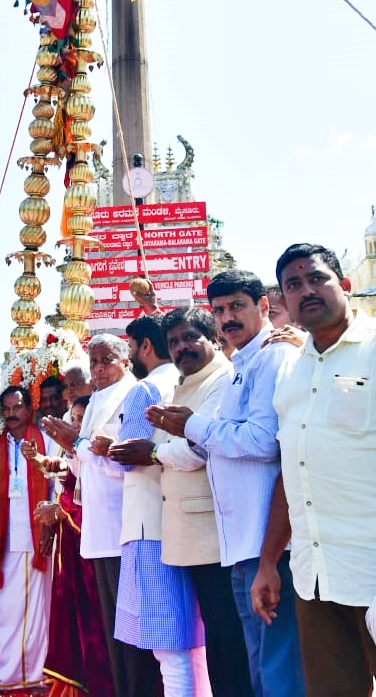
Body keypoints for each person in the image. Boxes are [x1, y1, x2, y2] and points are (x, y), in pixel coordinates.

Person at [251, 243, 376, 697]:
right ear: (284, 300)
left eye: (317, 278)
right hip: (315, 578)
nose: (306, 290)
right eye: (293, 285)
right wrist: (269, 562)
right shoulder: (291, 369)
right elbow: (293, 471)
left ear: (345, 285)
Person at [158, 270, 306, 697]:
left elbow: (262, 441)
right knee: (260, 670)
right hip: (241, 546)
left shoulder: (274, 357)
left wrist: (195, 427)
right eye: (220, 310)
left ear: (264, 305)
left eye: (237, 306)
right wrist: (190, 429)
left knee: (278, 673)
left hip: (270, 547)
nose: (227, 318)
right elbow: (222, 442)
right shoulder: (245, 363)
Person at [146, 307, 253, 697]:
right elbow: (170, 442)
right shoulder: (181, 384)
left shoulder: (222, 380)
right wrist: (161, 449)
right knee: (213, 635)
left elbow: (197, 447)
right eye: (173, 342)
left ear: (214, 338)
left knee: (229, 637)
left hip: (213, 533)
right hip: (184, 533)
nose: (181, 347)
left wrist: (155, 454)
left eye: (190, 337)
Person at [106, 315, 208, 697]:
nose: (130, 355)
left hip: (149, 525)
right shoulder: (186, 382)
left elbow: (129, 455)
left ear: (145, 346)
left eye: (130, 347)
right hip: (184, 524)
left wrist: (94, 447)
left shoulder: (146, 389)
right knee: (192, 641)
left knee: (169, 647)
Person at [41, 333, 135, 697]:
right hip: (95, 526)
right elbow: (82, 469)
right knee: (106, 625)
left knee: (126, 627)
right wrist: (70, 451)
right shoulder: (96, 399)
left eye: (105, 360)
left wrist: (75, 445)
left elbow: (125, 462)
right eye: (93, 361)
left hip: (124, 522)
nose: (97, 369)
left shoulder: (134, 393)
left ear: (125, 360)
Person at [32, 395, 114, 697]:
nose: (78, 425)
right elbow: (68, 483)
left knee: (91, 620)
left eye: (83, 420)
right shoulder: (74, 457)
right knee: (70, 615)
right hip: (70, 547)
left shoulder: (95, 455)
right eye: (75, 419)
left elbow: (92, 498)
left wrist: (60, 511)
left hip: (91, 550)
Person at [0, 385, 54, 693]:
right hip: (2, 542)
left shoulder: (46, 440)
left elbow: (57, 484)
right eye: (7, 409)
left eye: (17, 407)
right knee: (3, 610)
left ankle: (34, 674)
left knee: (36, 611)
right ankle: (2, 672)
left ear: (29, 409)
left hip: (35, 537)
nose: (12, 414)